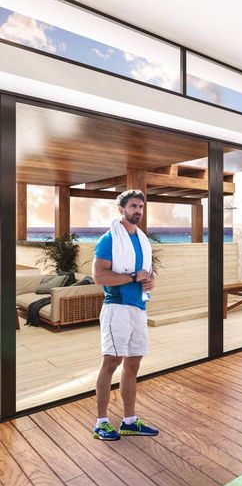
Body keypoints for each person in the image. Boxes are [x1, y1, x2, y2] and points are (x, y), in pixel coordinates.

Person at [91, 189, 159, 441]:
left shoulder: (142, 240)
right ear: (121, 210)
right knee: (111, 363)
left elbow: (145, 273)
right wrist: (133, 277)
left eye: (140, 206)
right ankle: (101, 423)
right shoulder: (108, 240)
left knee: (133, 364)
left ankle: (129, 421)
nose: (138, 211)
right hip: (117, 307)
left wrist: (149, 281)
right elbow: (99, 276)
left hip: (138, 308)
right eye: (133, 206)